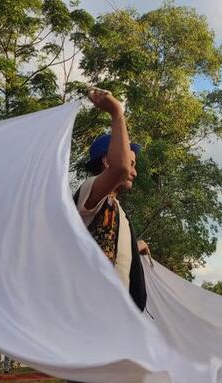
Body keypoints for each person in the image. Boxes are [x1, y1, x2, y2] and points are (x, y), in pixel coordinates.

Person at [73, 88, 149, 312]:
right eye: (133, 164)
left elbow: (107, 253)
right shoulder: (91, 191)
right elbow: (121, 168)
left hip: (114, 320)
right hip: (91, 314)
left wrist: (135, 248)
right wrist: (117, 113)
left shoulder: (116, 210)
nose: (134, 172)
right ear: (107, 162)